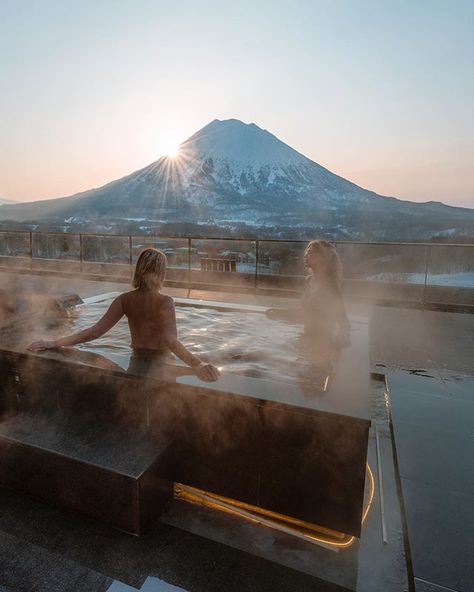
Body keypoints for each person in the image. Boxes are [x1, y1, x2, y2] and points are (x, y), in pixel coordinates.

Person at [28, 248, 220, 382]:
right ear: (161, 273)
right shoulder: (165, 302)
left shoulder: (125, 299)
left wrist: (53, 343)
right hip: (162, 368)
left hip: (136, 366)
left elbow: (94, 332)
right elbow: (171, 341)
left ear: (139, 271)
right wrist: (198, 364)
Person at [267, 240, 350, 350]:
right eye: (306, 251)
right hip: (308, 337)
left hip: (322, 343)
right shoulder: (309, 281)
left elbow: (344, 322)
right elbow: (304, 311)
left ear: (322, 257)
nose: (305, 255)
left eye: (310, 252)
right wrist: (280, 312)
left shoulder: (330, 286)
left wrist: (337, 343)